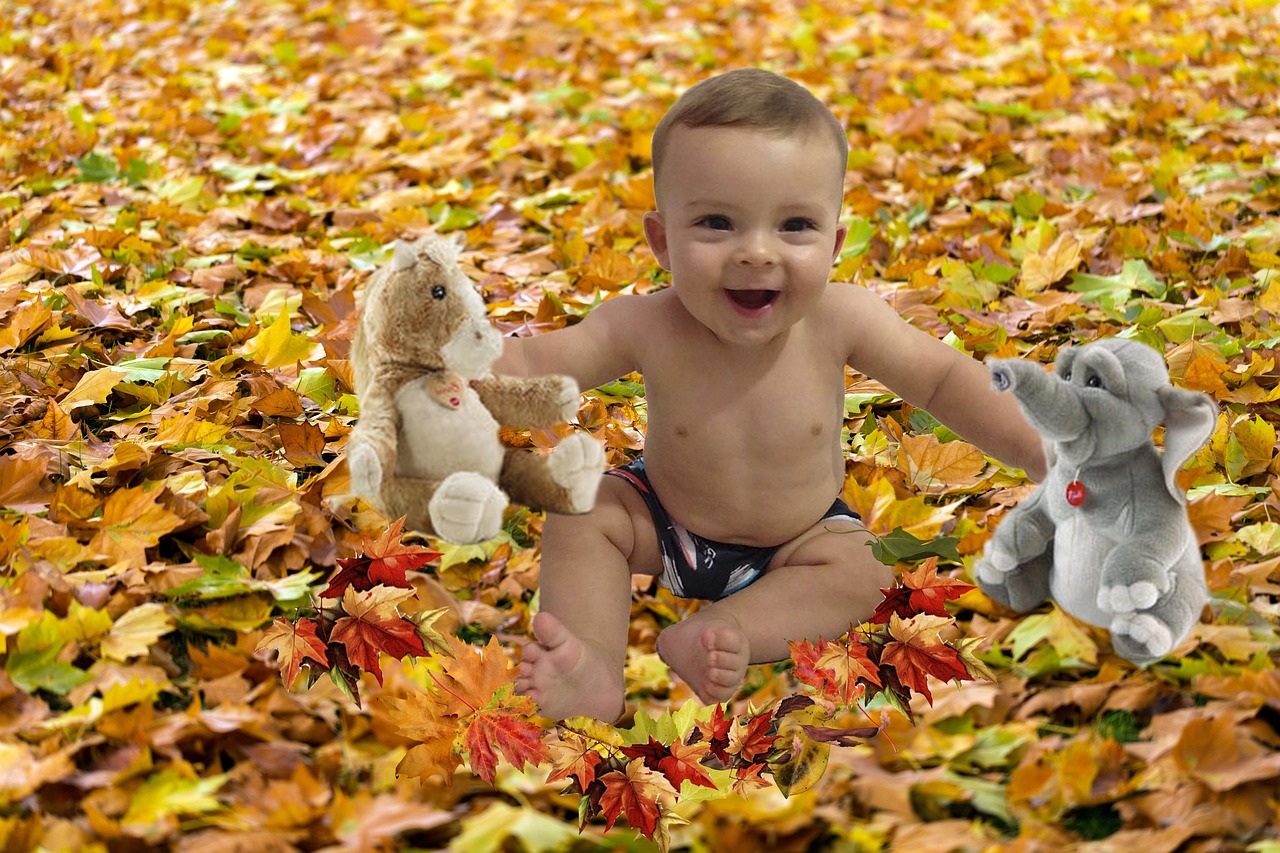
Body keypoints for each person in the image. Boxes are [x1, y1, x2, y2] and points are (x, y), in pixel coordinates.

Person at [502, 68, 1045, 722]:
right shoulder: (643, 324)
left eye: (794, 226)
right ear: (663, 242)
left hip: (800, 539)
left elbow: (944, 379)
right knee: (582, 505)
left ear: (835, 243)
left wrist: (1048, 449)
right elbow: (537, 362)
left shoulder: (843, 319)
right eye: (716, 223)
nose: (757, 253)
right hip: (663, 523)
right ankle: (589, 664)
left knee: (865, 570)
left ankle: (724, 629)